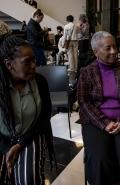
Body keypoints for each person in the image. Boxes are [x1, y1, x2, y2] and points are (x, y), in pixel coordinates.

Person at [77, 31, 120, 185]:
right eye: (108, 48)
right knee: (99, 158)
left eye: (115, 47)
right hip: (96, 121)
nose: (114, 51)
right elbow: (84, 102)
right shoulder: (86, 72)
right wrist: (104, 123)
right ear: (96, 51)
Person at [0, 34, 55, 185]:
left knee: (29, 179)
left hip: (31, 134)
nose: (33, 66)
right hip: (2, 139)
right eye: (27, 62)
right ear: (9, 64)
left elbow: (44, 116)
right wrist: (6, 149)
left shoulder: (39, 82)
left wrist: (20, 144)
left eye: (34, 60)